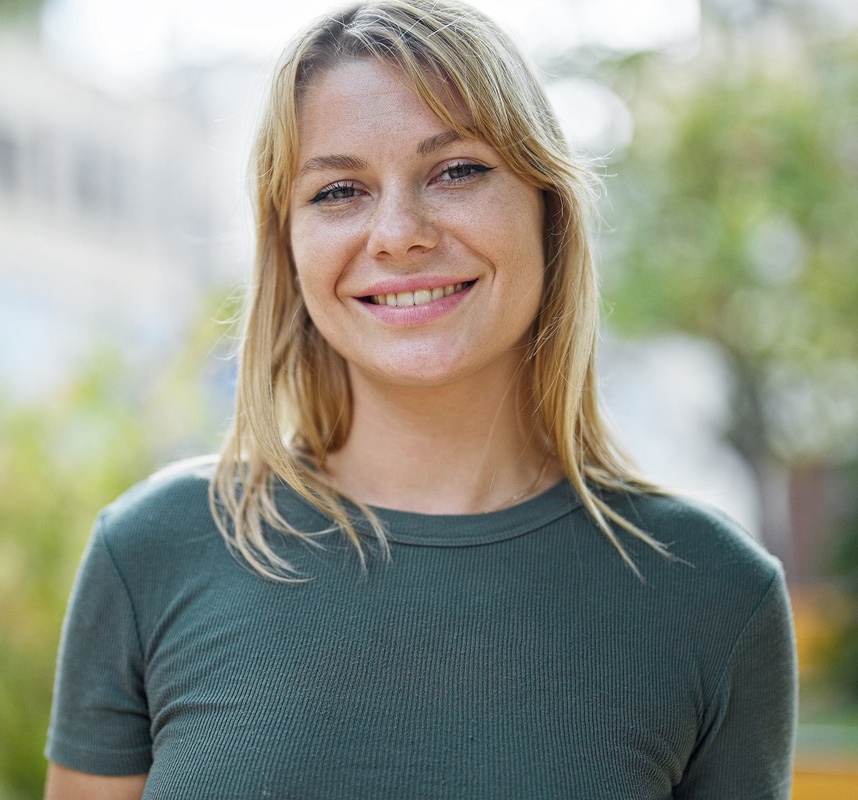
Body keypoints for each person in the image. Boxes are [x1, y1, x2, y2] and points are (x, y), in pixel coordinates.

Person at [44, 1, 797, 797]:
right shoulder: (152, 552)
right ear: (289, 246)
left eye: (458, 170)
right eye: (338, 191)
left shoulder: (714, 592)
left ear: (547, 209)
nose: (398, 233)